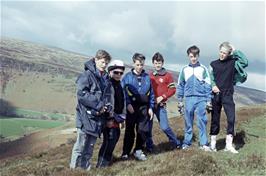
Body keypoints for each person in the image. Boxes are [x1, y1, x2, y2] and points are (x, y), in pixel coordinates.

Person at [70, 50, 112, 170]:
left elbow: (107, 97)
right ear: (95, 60)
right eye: (102, 62)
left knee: (90, 147)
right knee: (80, 146)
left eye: (106, 63)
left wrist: (107, 107)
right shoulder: (87, 75)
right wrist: (99, 105)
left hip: (97, 120)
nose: (104, 65)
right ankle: (74, 171)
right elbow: (82, 94)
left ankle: (85, 170)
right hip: (85, 117)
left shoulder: (106, 79)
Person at [209, 42, 248, 153]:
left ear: (228, 54)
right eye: (221, 52)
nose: (222, 54)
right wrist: (213, 85)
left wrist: (235, 50)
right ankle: (213, 144)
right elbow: (211, 77)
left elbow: (245, 62)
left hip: (228, 94)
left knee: (231, 119)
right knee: (215, 119)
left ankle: (228, 145)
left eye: (224, 53)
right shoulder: (213, 64)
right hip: (216, 95)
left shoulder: (233, 62)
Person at [121, 53, 155, 161]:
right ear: (133, 63)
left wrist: (151, 107)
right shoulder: (127, 77)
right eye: (138, 64)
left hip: (144, 108)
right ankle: (126, 152)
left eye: (142, 64)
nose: (140, 67)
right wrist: (128, 104)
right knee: (129, 131)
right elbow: (123, 92)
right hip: (131, 108)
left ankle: (138, 150)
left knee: (143, 130)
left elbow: (152, 94)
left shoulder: (147, 77)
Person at [177, 45, 212, 151]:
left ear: (198, 56)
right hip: (188, 99)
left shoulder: (203, 69)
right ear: (188, 56)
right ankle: (187, 142)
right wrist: (180, 100)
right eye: (191, 56)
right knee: (188, 121)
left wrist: (208, 100)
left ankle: (204, 143)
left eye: (195, 56)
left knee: (202, 121)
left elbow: (208, 85)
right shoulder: (184, 70)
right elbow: (180, 85)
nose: (194, 58)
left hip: (201, 98)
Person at [146, 52, 181, 151]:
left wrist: (162, 97)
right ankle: (149, 146)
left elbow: (172, 89)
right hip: (151, 106)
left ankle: (176, 142)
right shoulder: (150, 76)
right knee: (148, 128)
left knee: (165, 127)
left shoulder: (167, 76)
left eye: (159, 63)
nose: (158, 65)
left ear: (162, 63)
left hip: (161, 105)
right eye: (156, 63)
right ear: (153, 63)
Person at [97, 60, 126, 167]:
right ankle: (101, 167)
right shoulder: (108, 85)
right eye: (116, 72)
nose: (118, 75)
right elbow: (107, 102)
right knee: (109, 142)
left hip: (117, 118)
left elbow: (122, 102)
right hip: (110, 118)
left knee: (114, 140)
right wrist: (109, 118)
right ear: (110, 72)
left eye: (121, 73)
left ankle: (105, 163)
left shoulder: (120, 85)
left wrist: (122, 119)